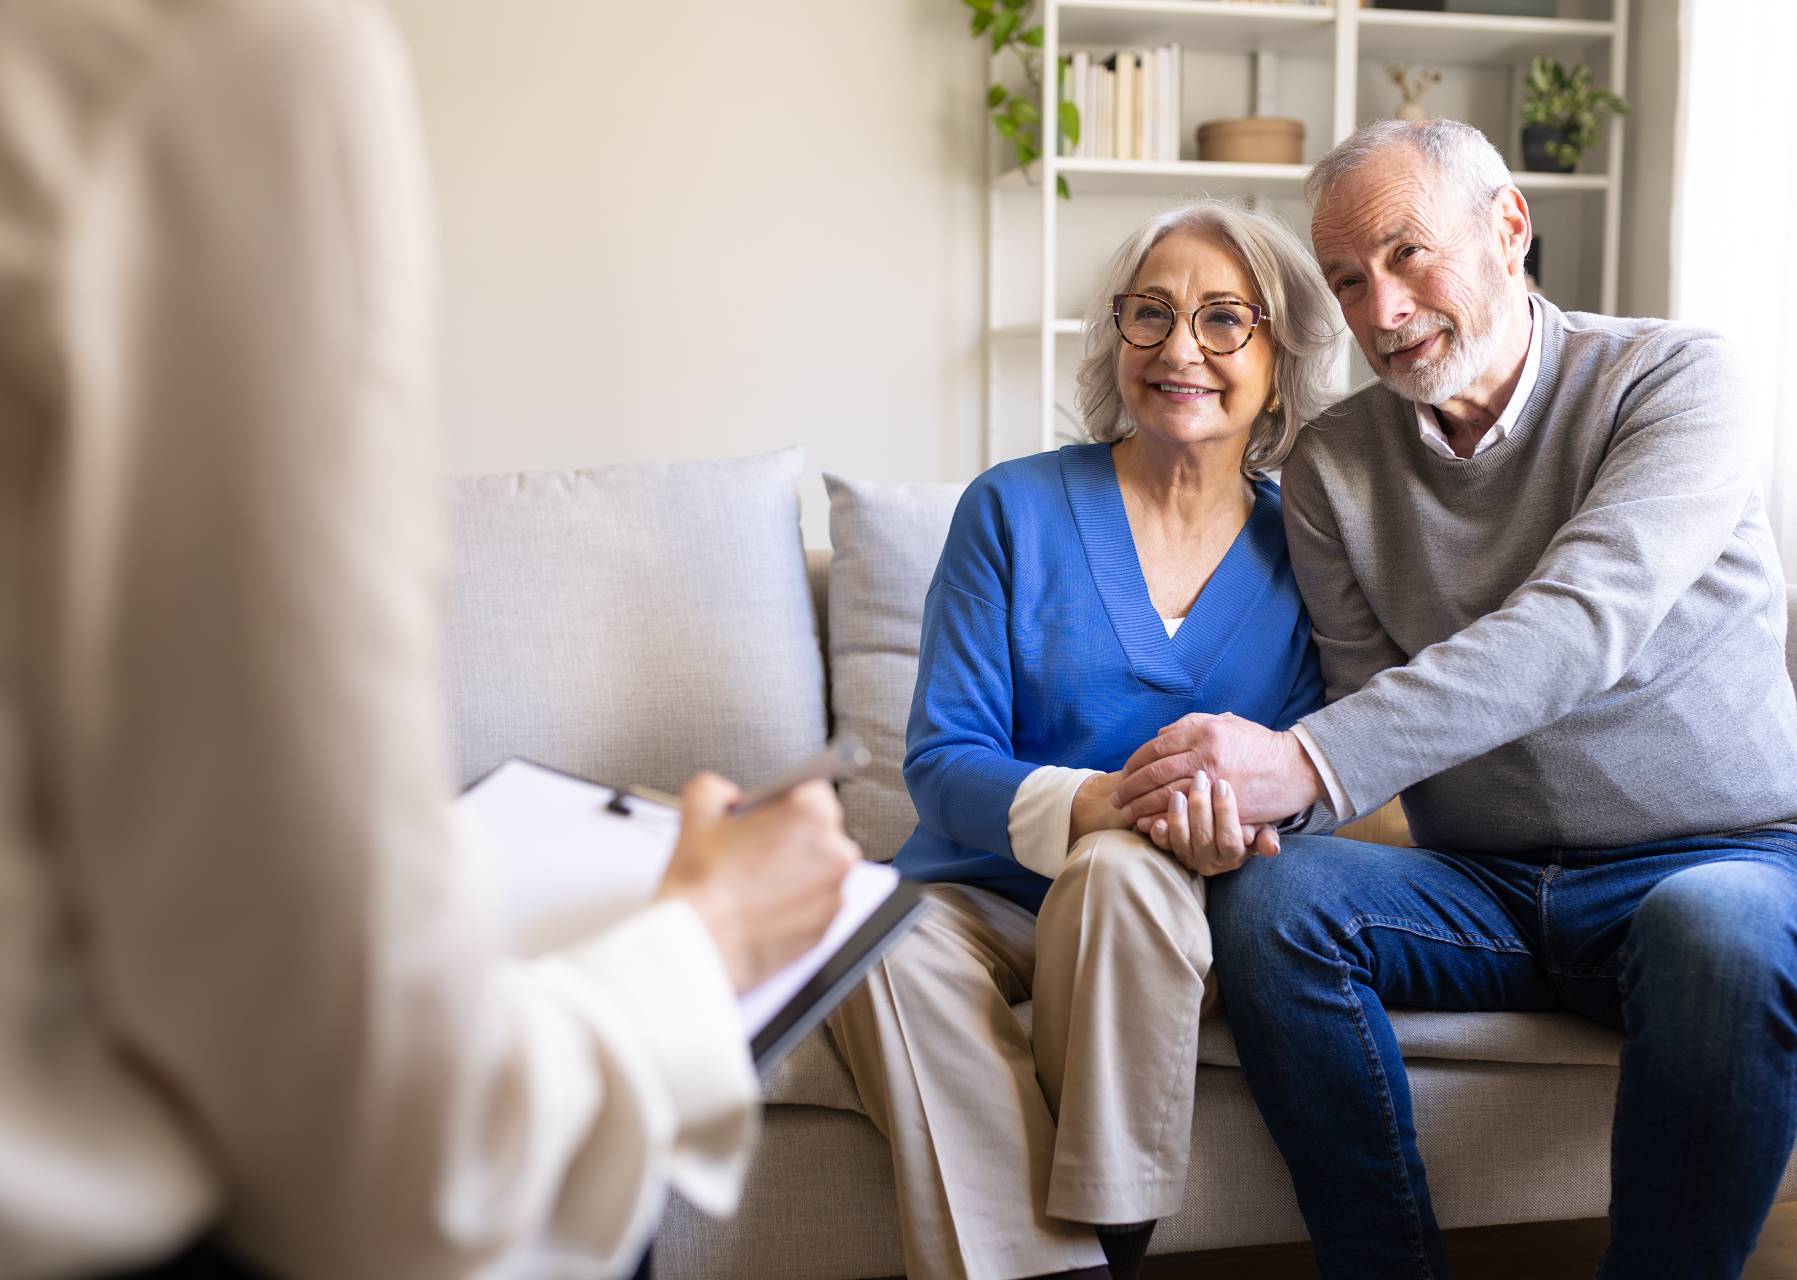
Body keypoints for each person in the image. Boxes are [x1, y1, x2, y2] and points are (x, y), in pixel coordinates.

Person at [0, 2, 861, 1277]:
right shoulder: (232, 54)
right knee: (580, 1203)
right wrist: (708, 939)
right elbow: (400, 1169)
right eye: (1146, 311)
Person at [1111, 119, 1797, 1280]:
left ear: (1509, 228)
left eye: (1410, 255)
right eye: (1349, 282)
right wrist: (1230, 808)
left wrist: (1298, 761)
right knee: (1271, 901)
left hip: (1720, 858)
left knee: (1718, 930)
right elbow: (1376, 714)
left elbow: (1580, 624)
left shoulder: (1672, 378)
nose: (1384, 310)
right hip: (1487, 890)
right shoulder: (1331, 466)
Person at [825, 199, 1342, 1280]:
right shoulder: (1011, 508)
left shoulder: (1309, 552)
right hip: (972, 894)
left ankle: (1116, 1233)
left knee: (1119, 869)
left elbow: (1307, 773)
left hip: (1158, 900)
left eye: (1222, 319)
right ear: (1116, 338)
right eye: (1148, 313)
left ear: (1281, 360)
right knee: (862, 933)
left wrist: (1230, 827)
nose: (1177, 347)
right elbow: (941, 757)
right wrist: (1098, 798)